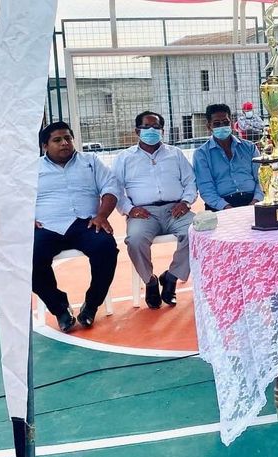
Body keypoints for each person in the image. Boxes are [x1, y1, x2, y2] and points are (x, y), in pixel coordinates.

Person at [34, 122, 119, 332]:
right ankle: (60, 308)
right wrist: (25, 219)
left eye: (68, 138)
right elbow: (14, 198)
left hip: (85, 223)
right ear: (45, 146)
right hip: (47, 226)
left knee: (106, 248)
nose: (64, 143)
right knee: (27, 257)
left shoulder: (90, 161)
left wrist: (102, 215)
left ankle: (91, 305)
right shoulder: (32, 169)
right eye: (57, 140)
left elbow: (110, 187)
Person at [113, 111, 197, 310]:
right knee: (135, 240)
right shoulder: (124, 158)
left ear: (163, 131)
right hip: (143, 213)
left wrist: (185, 202)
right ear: (137, 131)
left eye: (156, 127)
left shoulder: (175, 154)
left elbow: (190, 181)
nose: (152, 131)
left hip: (176, 209)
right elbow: (115, 189)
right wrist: (129, 209)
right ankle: (150, 281)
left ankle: (171, 277)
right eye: (147, 127)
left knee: (197, 233)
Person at [194, 104, 263, 213]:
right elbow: (206, 188)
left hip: (253, 201)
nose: (222, 126)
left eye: (225, 122)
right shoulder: (201, 154)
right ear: (209, 126)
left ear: (231, 123)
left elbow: (261, 178)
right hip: (221, 206)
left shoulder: (250, 148)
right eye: (217, 124)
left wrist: (256, 201)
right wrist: (227, 208)